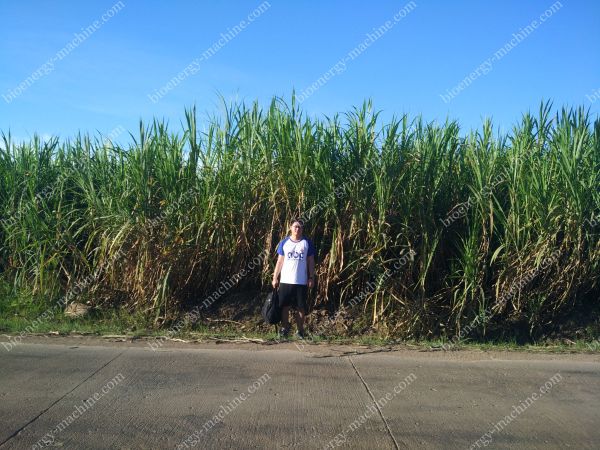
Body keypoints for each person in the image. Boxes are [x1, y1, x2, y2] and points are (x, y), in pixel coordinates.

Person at [272, 218, 316, 339]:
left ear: (302, 229)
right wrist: (275, 277)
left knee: (301, 308)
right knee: (284, 306)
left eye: (300, 227)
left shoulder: (307, 243)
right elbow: (280, 261)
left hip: (301, 281)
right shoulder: (284, 242)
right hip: (285, 281)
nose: (297, 229)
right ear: (290, 228)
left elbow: (311, 261)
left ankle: (300, 331)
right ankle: (285, 329)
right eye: (295, 226)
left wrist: (311, 277)